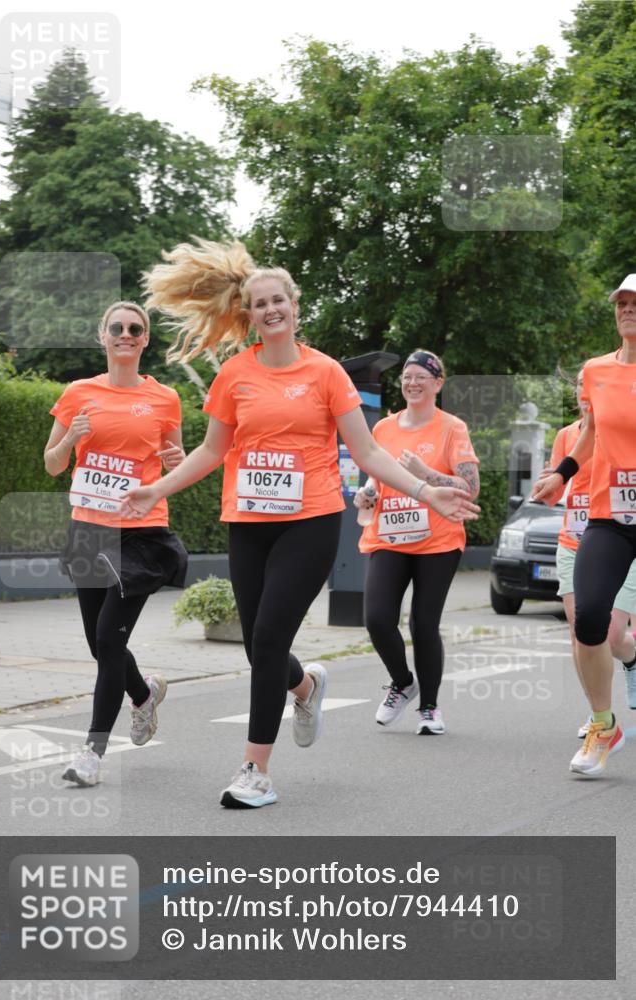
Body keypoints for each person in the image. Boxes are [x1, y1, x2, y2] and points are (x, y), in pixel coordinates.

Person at [120, 238, 480, 809]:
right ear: (249, 313)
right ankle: (305, 687)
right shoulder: (235, 374)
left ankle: (255, 771)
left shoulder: (326, 373)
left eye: (278, 301)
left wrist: (426, 490)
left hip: (310, 521)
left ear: (294, 305)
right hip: (248, 520)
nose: (270, 310)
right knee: (258, 649)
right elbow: (212, 451)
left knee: (266, 637)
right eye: (259, 304)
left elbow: (367, 452)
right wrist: (156, 488)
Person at [44, 301, 188, 787]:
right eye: (117, 328)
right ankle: (144, 695)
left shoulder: (166, 398)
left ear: (145, 339)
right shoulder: (78, 393)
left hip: (140, 534)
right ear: (102, 337)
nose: (126, 334)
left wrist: (175, 458)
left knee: (109, 639)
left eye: (135, 329)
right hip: (89, 529)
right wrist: (70, 441)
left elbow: (177, 465)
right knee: (98, 644)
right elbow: (51, 464)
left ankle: (92, 752)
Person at [533, 273, 636, 777]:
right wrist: (561, 475)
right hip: (611, 516)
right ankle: (603, 724)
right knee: (589, 619)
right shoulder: (596, 371)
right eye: (622, 302)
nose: (628, 309)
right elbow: (590, 435)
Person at [354, 350, 480, 735]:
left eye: (421, 377)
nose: (411, 383)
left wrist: (427, 474)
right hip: (389, 534)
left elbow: (471, 489)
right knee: (377, 619)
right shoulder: (383, 430)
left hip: (438, 539)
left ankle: (429, 708)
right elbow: (376, 477)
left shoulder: (452, 428)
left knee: (423, 623)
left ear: (438, 383)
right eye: (407, 376)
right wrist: (367, 493)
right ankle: (403, 682)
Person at [550, 368, 636, 740]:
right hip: (577, 539)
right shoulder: (567, 436)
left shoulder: (619, 427)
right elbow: (556, 491)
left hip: (622, 528)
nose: (587, 402)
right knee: (583, 627)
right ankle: (599, 716)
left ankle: (632, 658)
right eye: (582, 397)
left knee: (614, 634)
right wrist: (554, 479)